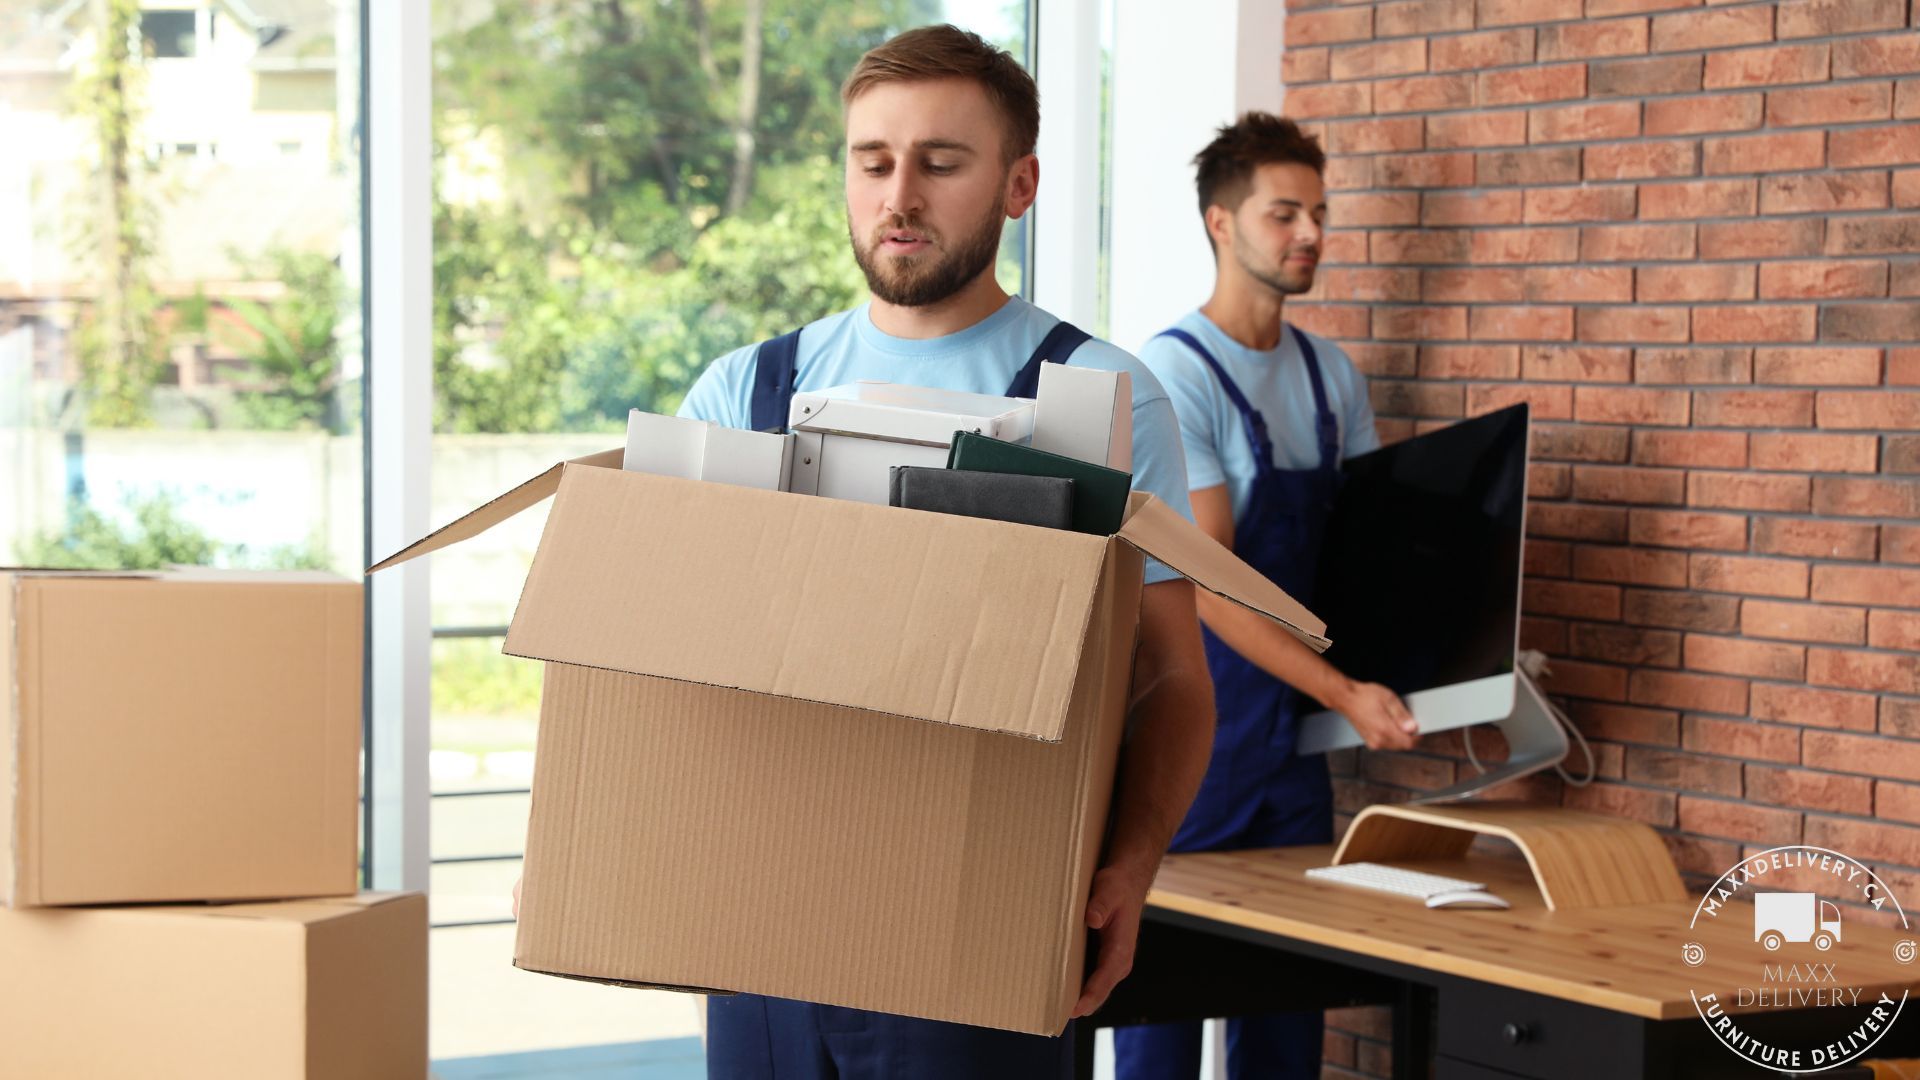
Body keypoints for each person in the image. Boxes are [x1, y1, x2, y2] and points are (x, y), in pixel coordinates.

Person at [669, 25, 1212, 1079]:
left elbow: (1173, 675)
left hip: (983, 914)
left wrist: (1132, 863)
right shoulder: (745, 393)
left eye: (940, 163)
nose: (898, 196)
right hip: (761, 923)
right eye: (872, 161)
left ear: (1020, 185)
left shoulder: (1099, 399)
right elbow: (655, 656)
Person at [1113, 113, 1419, 1080]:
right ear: (1220, 222)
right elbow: (1205, 582)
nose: (1310, 234)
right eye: (1283, 212)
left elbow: (1369, 560)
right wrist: (1344, 692)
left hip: (1293, 752)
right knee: (1160, 1005)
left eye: (1320, 213)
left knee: (1287, 1011)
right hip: (1196, 729)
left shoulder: (1333, 376)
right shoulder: (1175, 374)